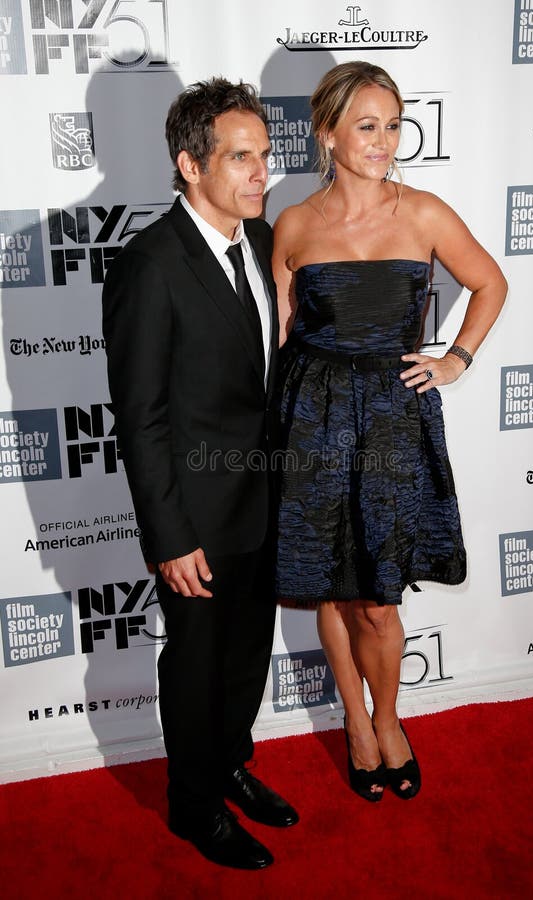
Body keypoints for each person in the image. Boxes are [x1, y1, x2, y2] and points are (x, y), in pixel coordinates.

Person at [273, 62, 507, 802]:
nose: (384, 140)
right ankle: (356, 723)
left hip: (393, 420)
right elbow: (283, 335)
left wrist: (456, 359)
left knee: (379, 596)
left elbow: (490, 281)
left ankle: (392, 717)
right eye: (367, 125)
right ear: (328, 131)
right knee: (333, 589)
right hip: (312, 418)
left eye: (393, 124)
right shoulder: (294, 223)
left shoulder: (425, 212)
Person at [102, 78, 298, 870]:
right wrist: (169, 535)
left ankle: (229, 766)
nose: (261, 172)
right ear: (190, 165)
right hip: (196, 519)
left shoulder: (260, 239)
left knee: (248, 652)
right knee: (194, 664)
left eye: (264, 155)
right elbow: (140, 414)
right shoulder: (151, 265)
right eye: (241, 157)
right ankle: (192, 809)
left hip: (262, 499)